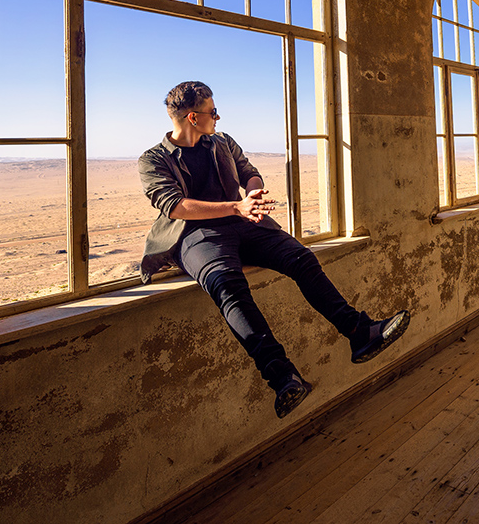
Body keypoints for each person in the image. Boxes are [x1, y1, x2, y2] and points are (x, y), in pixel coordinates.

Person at [138, 80, 409, 418]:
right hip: (196, 235)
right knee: (228, 286)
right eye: (212, 112)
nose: (218, 118)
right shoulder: (153, 159)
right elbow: (175, 206)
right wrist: (235, 207)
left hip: (244, 222)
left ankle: (359, 332)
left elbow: (250, 174)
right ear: (193, 117)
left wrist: (250, 195)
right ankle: (282, 377)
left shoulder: (221, 142)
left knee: (300, 258)